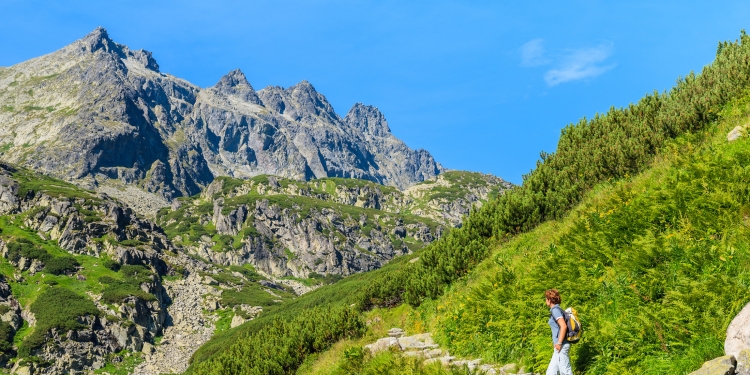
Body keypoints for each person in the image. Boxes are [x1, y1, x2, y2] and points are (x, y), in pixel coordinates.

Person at [545, 289, 573, 375]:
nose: (545, 300)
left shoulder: (555, 310)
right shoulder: (557, 309)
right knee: (550, 372)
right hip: (558, 347)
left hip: (562, 346)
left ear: (549, 300)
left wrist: (559, 343)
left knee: (565, 372)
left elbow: (563, 326)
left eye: (546, 299)